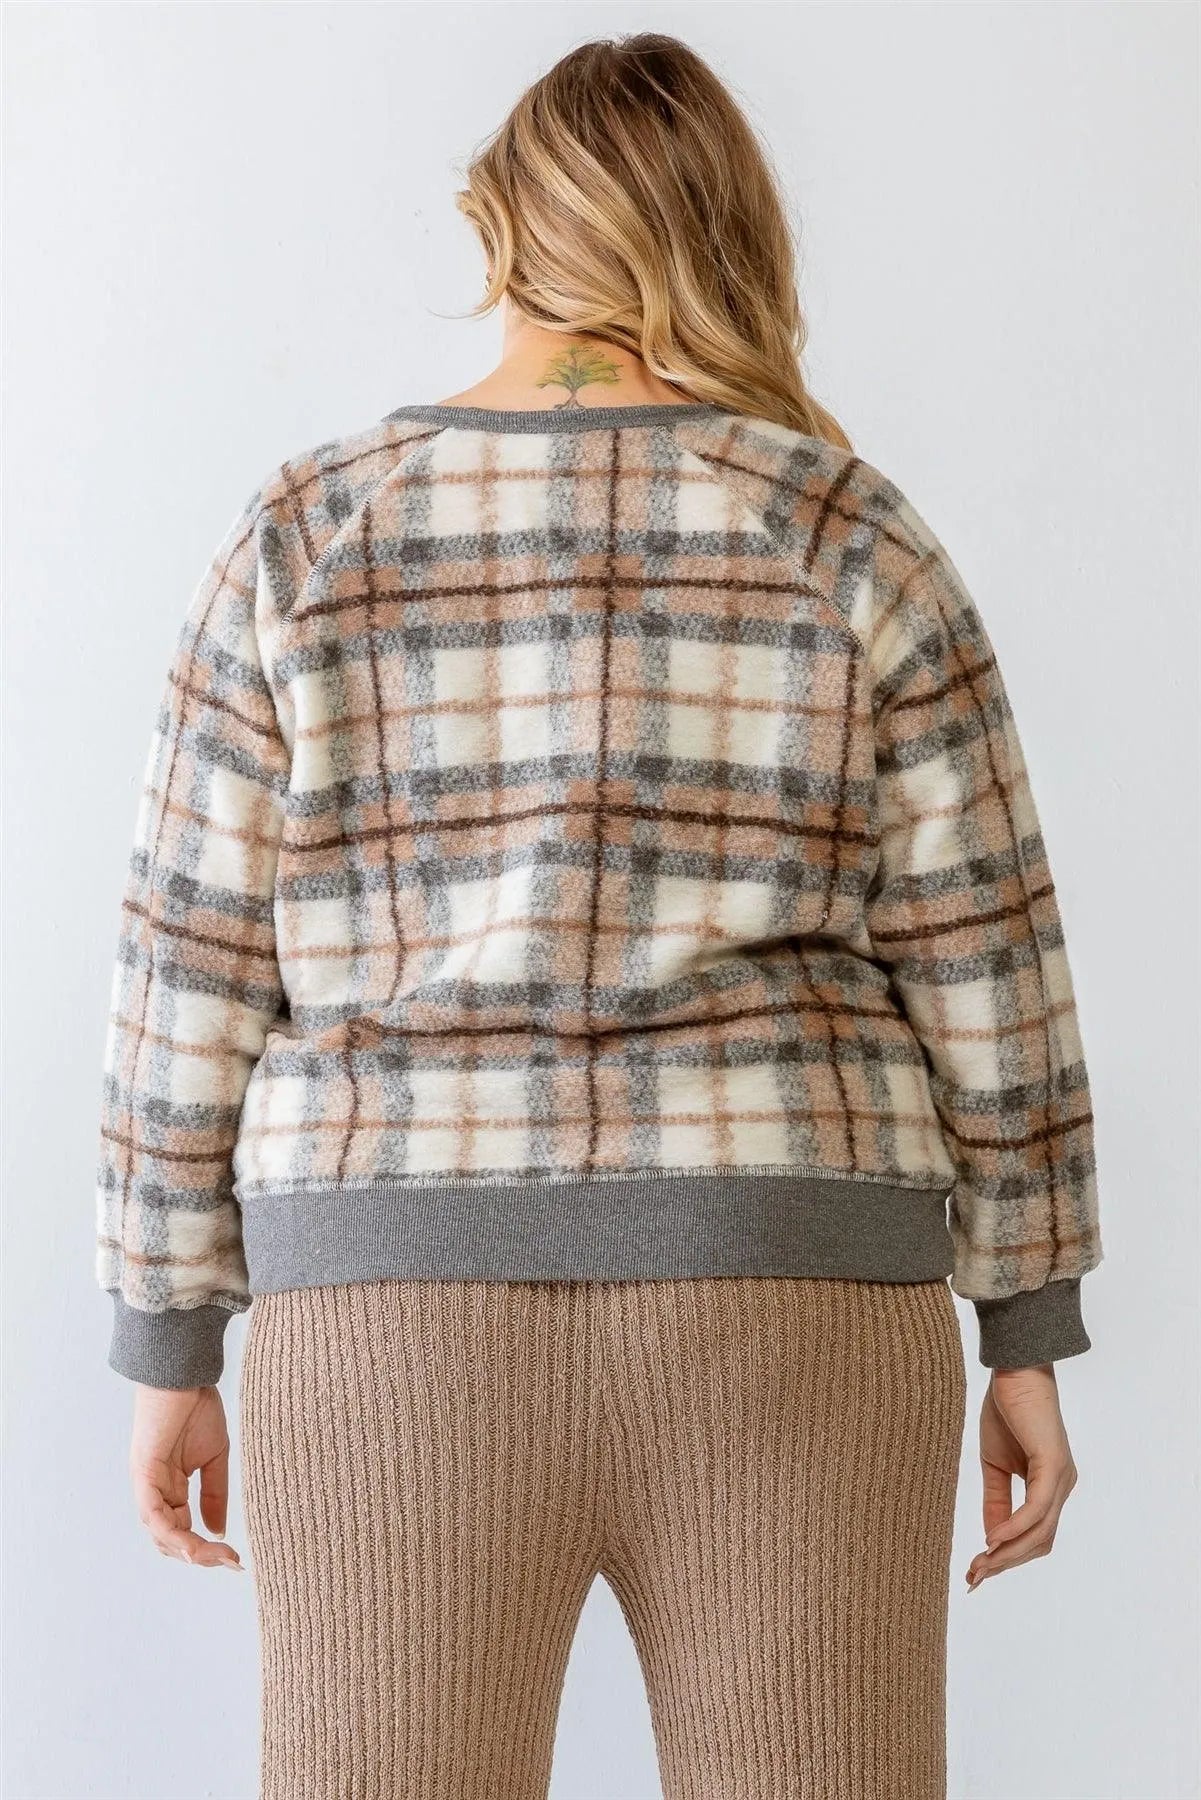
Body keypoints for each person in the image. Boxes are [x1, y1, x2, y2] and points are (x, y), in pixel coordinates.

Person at [96, 32, 1103, 1800]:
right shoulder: (843, 529)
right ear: (729, 239)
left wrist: (167, 1331)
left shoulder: (308, 531)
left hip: (390, 1306)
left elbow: (190, 961)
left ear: (498, 230)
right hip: (792, 1285)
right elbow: (984, 949)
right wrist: (1025, 1314)